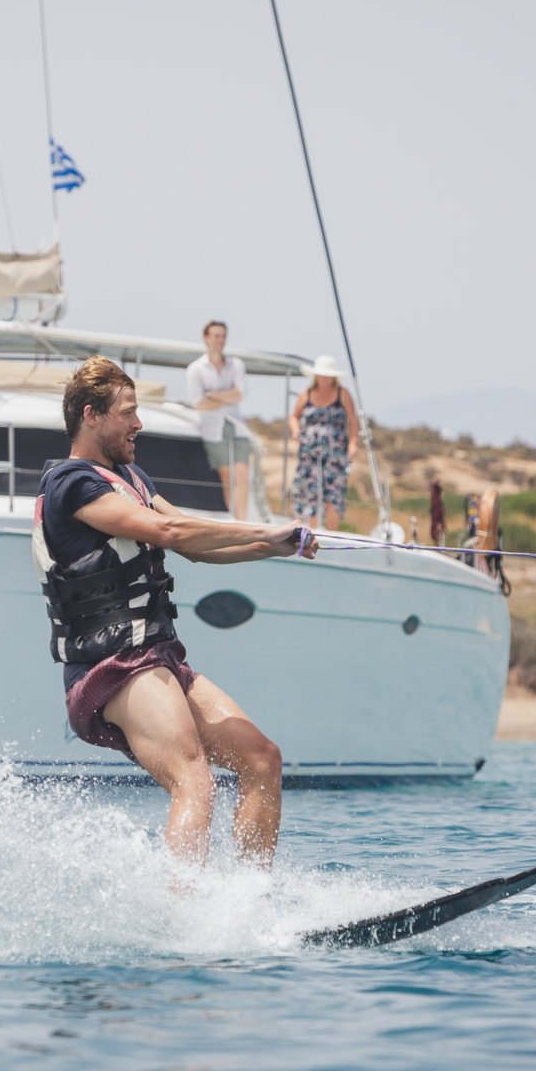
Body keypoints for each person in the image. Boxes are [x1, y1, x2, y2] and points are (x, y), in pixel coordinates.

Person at [35, 356, 319, 868]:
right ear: (90, 415)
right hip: (109, 668)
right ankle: (184, 924)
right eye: (128, 412)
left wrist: (276, 547)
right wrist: (264, 529)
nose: (138, 424)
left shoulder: (132, 477)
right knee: (194, 780)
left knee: (260, 760)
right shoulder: (72, 484)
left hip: (157, 658)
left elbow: (193, 541)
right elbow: (168, 534)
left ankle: (245, 906)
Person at [286, 354, 360, 531]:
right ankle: (311, 531)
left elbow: (353, 420)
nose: (325, 377)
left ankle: (331, 532)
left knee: (333, 493)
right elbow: (294, 416)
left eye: (328, 374)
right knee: (310, 491)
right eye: (322, 374)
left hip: (335, 454)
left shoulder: (343, 394)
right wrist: (296, 430)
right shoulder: (306, 394)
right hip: (309, 454)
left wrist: (353, 443)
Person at [185, 319, 250, 515]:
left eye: (223, 336)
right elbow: (199, 404)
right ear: (206, 338)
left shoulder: (236, 364)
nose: (220, 340)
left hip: (237, 424)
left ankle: (242, 520)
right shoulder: (195, 369)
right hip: (212, 428)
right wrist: (226, 396)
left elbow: (240, 393)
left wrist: (213, 395)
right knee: (227, 474)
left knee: (242, 474)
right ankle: (233, 516)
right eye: (216, 336)